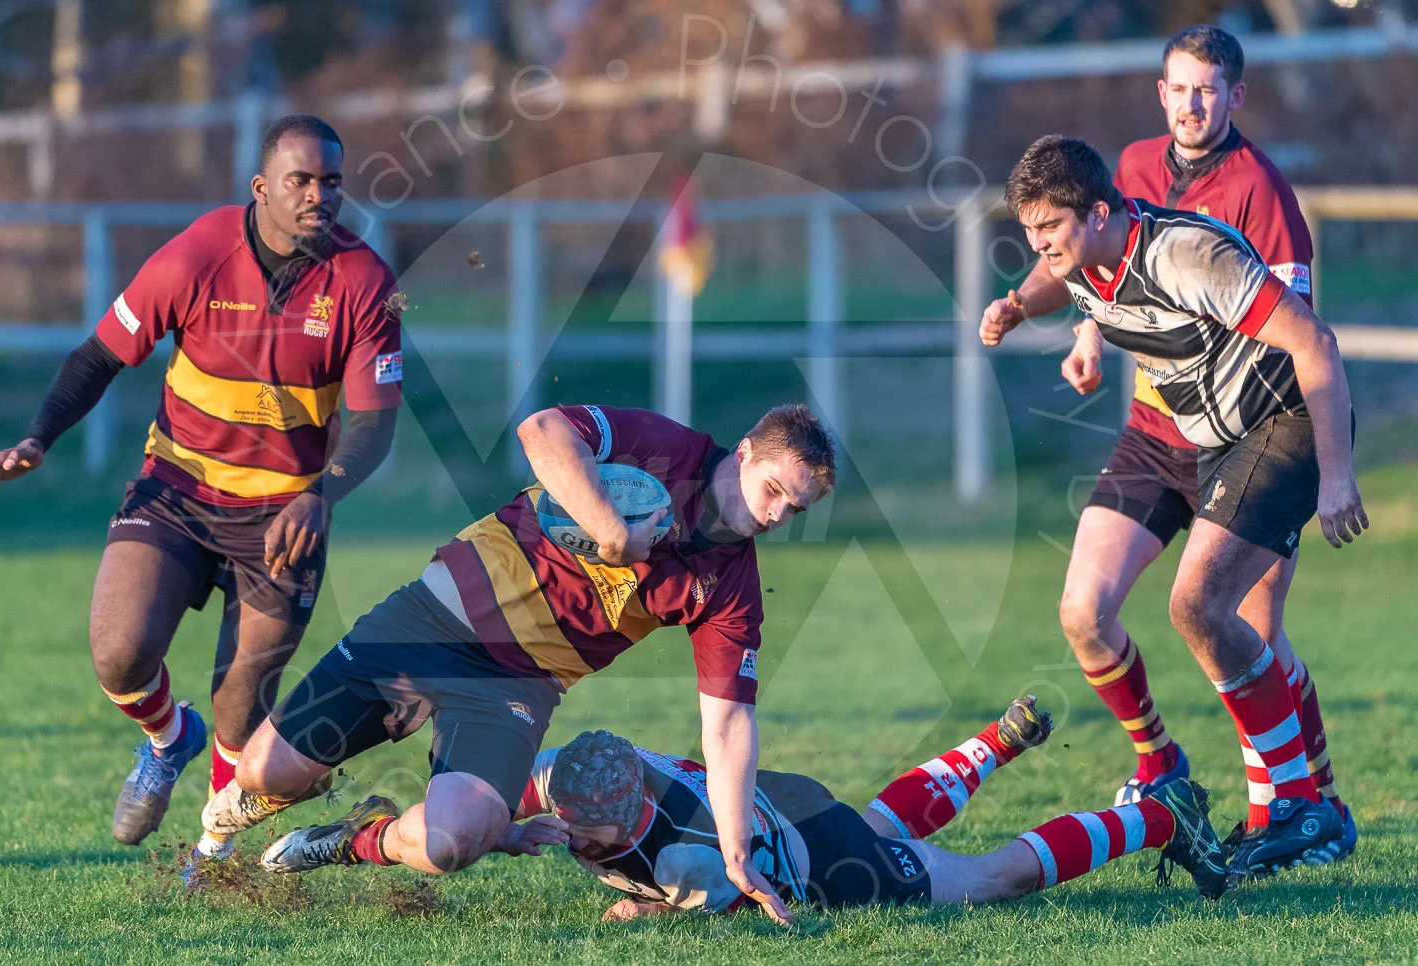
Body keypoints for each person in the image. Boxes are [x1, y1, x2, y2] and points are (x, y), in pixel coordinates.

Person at [0, 115, 404, 859]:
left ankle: (208, 856)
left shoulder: (364, 282)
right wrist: (38, 437)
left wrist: (321, 494)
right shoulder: (198, 253)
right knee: (119, 653)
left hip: (284, 516)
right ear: (262, 188)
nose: (320, 195)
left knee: (241, 707)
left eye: (332, 181)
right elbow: (99, 355)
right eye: (301, 181)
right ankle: (167, 738)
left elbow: (374, 427)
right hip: (178, 492)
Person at [213, 403, 836, 926]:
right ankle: (273, 788)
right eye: (775, 489)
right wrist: (612, 534)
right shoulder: (666, 448)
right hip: (430, 620)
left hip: (515, 684)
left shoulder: (732, 589)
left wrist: (736, 851)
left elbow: (728, 724)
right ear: (747, 451)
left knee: (452, 840)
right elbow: (541, 431)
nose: (777, 514)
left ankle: (359, 838)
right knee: (264, 772)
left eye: (795, 509)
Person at [979, 25, 1352, 861]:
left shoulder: (1257, 192)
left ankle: (1307, 804)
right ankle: (1165, 765)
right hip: (1159, 427)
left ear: (1233, 97)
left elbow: (1301, 336)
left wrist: (1332, 471)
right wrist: (1063, 320)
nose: (1191, 102)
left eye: (1207, 89)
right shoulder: (1123, 174)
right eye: (1179, 86)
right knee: (1085, 609)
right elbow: (1081, 267)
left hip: (1253, 424)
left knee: (1242, 625)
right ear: (1160, 91)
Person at [270, 697, 1230, 917]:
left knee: (987, 880)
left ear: (628, 821)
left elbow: (716, 908)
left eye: (580, 832)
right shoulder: (585, 769)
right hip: (781, 800)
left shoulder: (687, 860)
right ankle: (996, 742)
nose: (560, 827)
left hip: (819, 858)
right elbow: (539, 800)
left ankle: (1158, 813)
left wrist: (645, 912)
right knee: (885, 819)